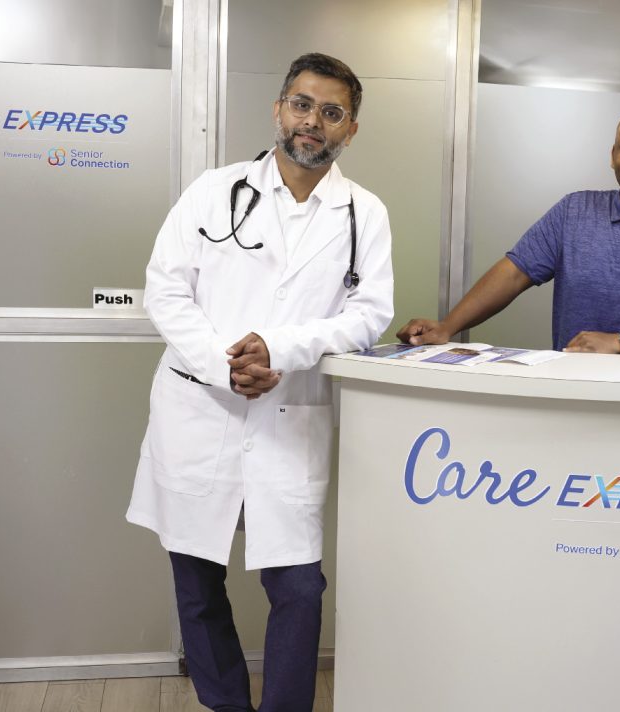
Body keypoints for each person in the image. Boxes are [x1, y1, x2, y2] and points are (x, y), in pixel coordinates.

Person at [126, 53, 393, 712]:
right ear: (278, 109)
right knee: (196, 581)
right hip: (201, 408)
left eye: (331, 112)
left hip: (288, 415)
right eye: (302, 104)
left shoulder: (363, 214)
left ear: (351, 129)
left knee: (298, 589)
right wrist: (224, 363)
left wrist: (280, 348)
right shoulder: (213, 191)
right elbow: (165, 290)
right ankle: (225, 704)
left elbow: (370, 315)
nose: (312, 122)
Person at [398, 104, 620, 355]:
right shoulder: (574, 211)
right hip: (571, 392)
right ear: (612, 156)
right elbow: (513, 274)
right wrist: (447, 327)